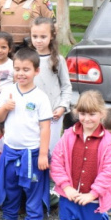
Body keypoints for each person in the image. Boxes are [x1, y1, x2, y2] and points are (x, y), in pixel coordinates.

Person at [0, 47, 53, 220]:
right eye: (17, 69)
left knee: (32, 188)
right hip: (10, 150)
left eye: (26, 69)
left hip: (31, 154)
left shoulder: (41, 97)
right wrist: (5, 109)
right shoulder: (8, 91)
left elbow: (45, 128)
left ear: (36, 71)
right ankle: (10, 217)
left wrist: (43, 154)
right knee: (11, 186)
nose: (21, 73)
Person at [50, 90, 111, 220]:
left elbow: (109, 172)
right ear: (77, 113)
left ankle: (102, 216)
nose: (87, 119)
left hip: (92, 198)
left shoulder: (108, 143)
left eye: (92, 114)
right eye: (82, 114)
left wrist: (93, 194)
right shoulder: (68, 135)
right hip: (69, 195)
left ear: (102, 113)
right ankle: (77, 217)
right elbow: (56, 161)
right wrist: (66, 187)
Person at [30, 17, 72, 152]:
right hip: (32, 113)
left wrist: (62, 107)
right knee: (34, 149)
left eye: (43, 36)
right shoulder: (28, 58)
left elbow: (66, 86)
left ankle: (51, 173)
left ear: (52, 36)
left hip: (53, 114)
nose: (38, 40)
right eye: (34, 36)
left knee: (50, 150)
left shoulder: (58, 60)